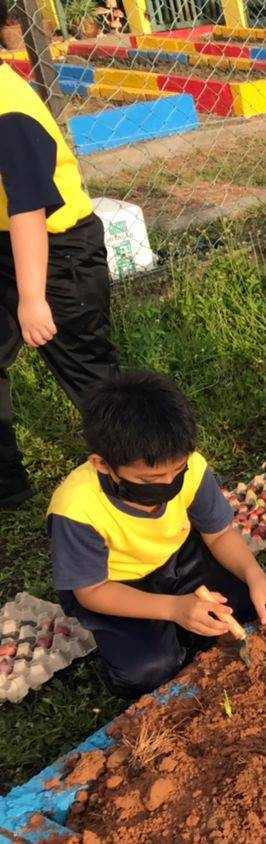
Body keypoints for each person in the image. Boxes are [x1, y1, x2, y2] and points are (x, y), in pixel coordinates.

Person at [48, 371, 266, 698]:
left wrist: (256, 576)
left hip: (180, 558)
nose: (167, 484)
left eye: (176, 472)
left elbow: (219, 535)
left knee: (250, 605)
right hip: (116, 586)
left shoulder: (193, 467)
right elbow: (91, 591)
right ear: (103, 465)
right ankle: (156, 633)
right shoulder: (76, 508)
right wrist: (174, 609)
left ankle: (184, 621)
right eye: (150, 480)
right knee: (149, 670)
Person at [1, 61, 120, 509]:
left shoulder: (8, 108)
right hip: (6, 241)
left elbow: (29, 208)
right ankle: (8, 485)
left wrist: (32, 299)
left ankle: (137, 473)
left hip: (57, 247)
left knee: (87, 369)